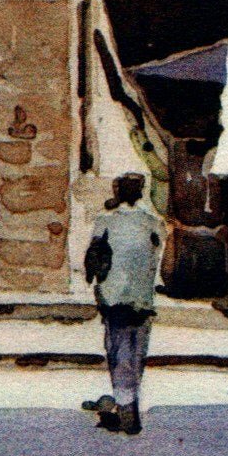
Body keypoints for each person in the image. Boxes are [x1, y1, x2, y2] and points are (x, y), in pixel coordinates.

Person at [82, 173, 163, 435]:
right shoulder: (152, 222)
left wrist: (93, 279)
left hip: (114, 296)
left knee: (118, 352)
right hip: (142, 297)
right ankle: (129, 405)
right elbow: (156, 252)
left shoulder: (106, 221)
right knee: (137, 352)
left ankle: (126, 410)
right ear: (141, 192)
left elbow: (93, 256)